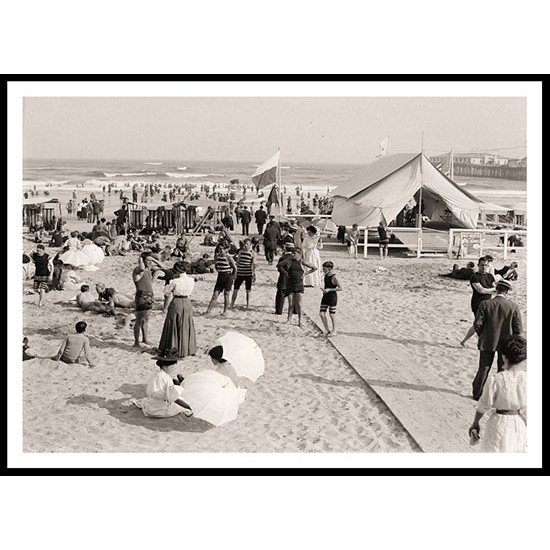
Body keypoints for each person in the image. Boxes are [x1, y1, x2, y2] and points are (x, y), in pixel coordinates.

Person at [468, 334, 527, 452]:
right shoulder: (526, 378)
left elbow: (484, 405)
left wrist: (476, 422)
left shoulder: (495, 379)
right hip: (518, 423)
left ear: (504, 356)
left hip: (499, 423)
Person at [469, 279, 523, 401]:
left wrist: (482, 335)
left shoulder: (485, 304)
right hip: (506, 343)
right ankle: (499, 395)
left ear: (496, 289)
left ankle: (477, 393)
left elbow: (477, 324)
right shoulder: (513, 306)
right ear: (507, 291)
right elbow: (518, 329)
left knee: (484, 367)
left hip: (488, 340)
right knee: (502, 370)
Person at [157, 261, 197, 358]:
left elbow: (166, 292)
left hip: (176, 302)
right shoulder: (191, 280)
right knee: (186, 324)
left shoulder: (174, 281)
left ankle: (172, 347)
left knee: (173, 324)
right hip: (187, 302)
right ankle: (186, 348)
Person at [460, 256, 496, 347]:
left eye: (486, 265)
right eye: (482, 265)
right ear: (478, 265)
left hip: (488, 303)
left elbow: (495, 286)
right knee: (479, 324)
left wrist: (494, 289)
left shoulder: (490, 276)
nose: (484, 267)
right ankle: (482, 344)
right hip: (478, 303)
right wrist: (493, 290)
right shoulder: (474, 277)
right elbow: (481, 290)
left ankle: (464, 341)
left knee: (479, 324)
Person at [278, 249, 317, 327]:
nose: (293, 255)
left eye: (294, 253)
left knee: (299, 304)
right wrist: (285, 273)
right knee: (291, 303)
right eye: (292, 253)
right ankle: (289, 320)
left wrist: (305, 273)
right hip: (290, 284)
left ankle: (300, 321)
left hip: (299, 284)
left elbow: (314, 267)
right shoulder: (289, 261)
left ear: (299, 254)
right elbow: (279, 265)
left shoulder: (302, 262)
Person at [132, 252, 158, 348]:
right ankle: (136, 342)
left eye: (151, 261)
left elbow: (164, 267)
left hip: (149, 296)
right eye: (148, 260)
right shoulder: (138, 270)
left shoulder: (148, 270)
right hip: (142, 296)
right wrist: (141, 260)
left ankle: (145, 339)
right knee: (139, 320)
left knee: (146, 320)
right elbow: (141, 268)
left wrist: (154, 259)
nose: (150, 262)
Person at [205, 245, 237, 316]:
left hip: (228, 276)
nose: (221, 250)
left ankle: (225, 311)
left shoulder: (228, 257)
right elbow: (216, 266)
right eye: (220, 249)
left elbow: (235, 267)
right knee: (215, 295)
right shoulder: (217, 257)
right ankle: (208, 311)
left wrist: (233, 276)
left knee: (226, 294)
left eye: (222, 249)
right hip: (220, 276)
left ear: (226, 249)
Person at [230, 238, 256, 310]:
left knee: (248, 290)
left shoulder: (252, 253)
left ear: (250, 245)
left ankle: (248, 305)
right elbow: (237, 263)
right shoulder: (240, 252)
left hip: (248, 274)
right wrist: (235, 272)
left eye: (247, 244)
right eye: (245, 243)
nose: (245, 245)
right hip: (240, 273)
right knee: (235, 289)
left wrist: (254, 274)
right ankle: (232, 304)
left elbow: (253, 265)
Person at [319, 261, 342, 336]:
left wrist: (329, 289)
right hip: (325, 296)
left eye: (324, 268)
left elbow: (340, 288)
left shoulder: (334, 277)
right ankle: (327, 330)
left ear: (329, 268)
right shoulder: (326, 275)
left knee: (332, 314)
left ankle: (334, 330)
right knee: (321, 314)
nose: (323, 269)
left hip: (332, 297)